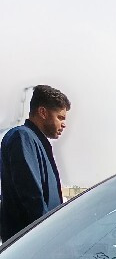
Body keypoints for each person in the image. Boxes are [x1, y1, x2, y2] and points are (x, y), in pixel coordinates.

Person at [0, 84, 70, 242]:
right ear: (43, 112)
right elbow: (32, 197)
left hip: (37, 243)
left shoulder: (36, 141)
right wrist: (50, 237)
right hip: (29, 245)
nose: (64, 124)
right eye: (60, 117)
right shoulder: (22, 137)